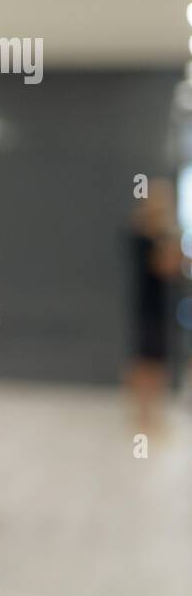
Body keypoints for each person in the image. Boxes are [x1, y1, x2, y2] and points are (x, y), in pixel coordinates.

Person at [125, 178, 181, 438]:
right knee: (144, 359)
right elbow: (165, 266)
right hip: (146, 305)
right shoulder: (143, 235)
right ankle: (141, 412)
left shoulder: (159, 234)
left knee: (156, 360)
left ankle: (151, 412)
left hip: (159, 306)